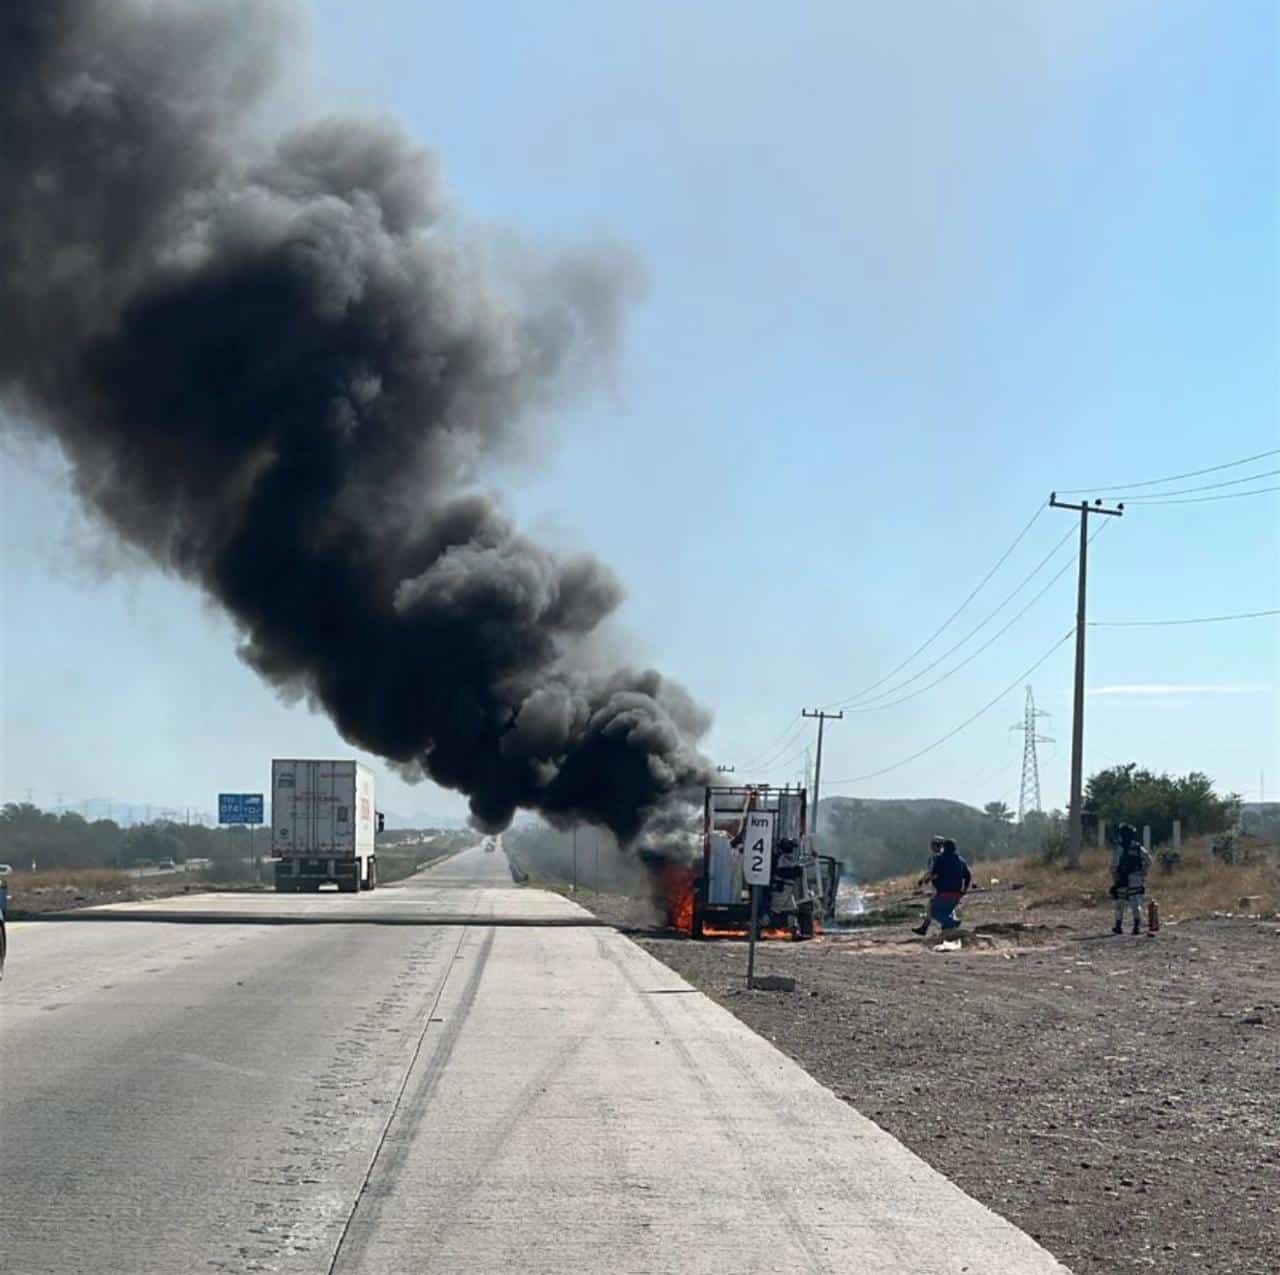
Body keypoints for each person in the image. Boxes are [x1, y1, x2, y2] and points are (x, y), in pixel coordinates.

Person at [913, 837, 971, 935]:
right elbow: (968, 876)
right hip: (956, 894)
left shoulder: (939, 858)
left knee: (933, 911)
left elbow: (933, 873)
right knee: (945, 910)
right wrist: (964, 890)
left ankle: (952, 923)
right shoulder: (961, 860)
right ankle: (946, 929)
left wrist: (925, 880)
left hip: (943, 892)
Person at [1110, 824, 1151, 935]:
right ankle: (1136, 927)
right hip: (1136, 877)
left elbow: (1114, 866)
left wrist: (1115, 880)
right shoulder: (1138, 848)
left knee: (1120, 903)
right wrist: (1143, 872)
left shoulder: (1119, 848)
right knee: (1135, 902)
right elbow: (1149, 860)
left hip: (1122, 878)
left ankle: (1118, 926)